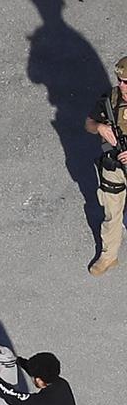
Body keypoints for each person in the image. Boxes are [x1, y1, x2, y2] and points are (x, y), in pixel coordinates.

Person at [84, 55, 127, 276]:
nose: (121, 85)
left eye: (126, 82)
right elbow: (89, 122)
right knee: (111, 213)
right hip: (114, 167)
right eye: (120, 80)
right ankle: (108, 256)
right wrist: (100, 128)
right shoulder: (111, 99)